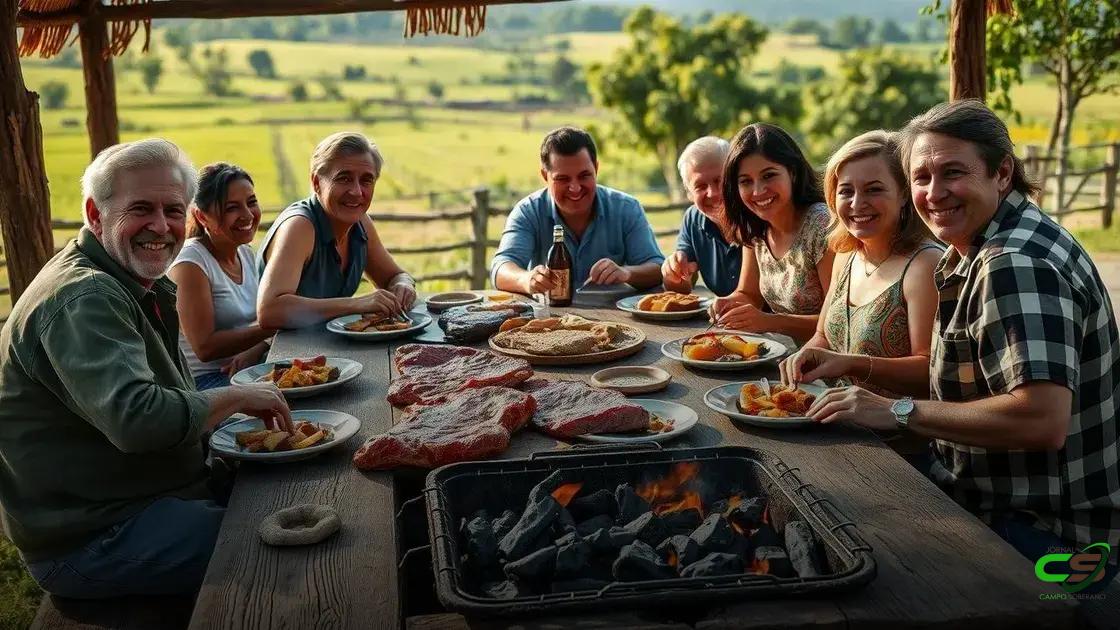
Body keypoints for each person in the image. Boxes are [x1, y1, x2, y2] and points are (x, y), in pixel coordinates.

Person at [805, 100, 1120, 583]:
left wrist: (897, 410)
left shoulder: (1014, 262)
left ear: (1002, 172)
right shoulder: (990, 240)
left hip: (1048, 536)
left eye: (952, 172)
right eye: (921, 177)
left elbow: (1041, 419)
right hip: (997, 501)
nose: (934, 193)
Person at [0, 139, 293, 599]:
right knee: (283, 545)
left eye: (173, 211)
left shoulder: (133, 282)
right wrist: (236, 397)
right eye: (141, 209)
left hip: (153, 498)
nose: (160, 227)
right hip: (95, 536)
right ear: (95, 215)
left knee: (297, 492)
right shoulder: (86, 298)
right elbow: (138, 421)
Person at [779, 130, 942, 398]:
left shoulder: (925, 264)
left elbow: (930, 373)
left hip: (892, 432)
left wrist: (854, 364)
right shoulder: (846, 254)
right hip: (833, 419)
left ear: (904, 193)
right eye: (846, 191)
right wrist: (804, 356)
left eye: (873, 189)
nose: (857, 203)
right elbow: (823, 335)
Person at [257, 131, 417, 329]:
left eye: (366, 180)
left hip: (327, 345)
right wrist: (356, 304)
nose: (357, 192)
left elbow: (394, 276)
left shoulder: (361, 224)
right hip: (281, 351)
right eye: (344, 179)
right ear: (316, 183)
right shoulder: (300, 226)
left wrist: (403, 285)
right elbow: (269, 311)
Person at [491, 126, 664, 294]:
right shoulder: (528, 211)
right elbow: (501, 268)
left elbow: (657, 267)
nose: (575, 188)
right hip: (549, 320)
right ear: (545, 176)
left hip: (613, 318)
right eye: (563, 179)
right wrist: (526, 279)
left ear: (596, 169)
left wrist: (627, 273)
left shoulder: (626, 208)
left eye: (584, 176)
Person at [709, 123, 834, 343]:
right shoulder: (756, 226)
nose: (757, 191)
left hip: (831, 365)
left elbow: (837, 321)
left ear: (792, 173)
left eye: (769, 176)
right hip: (786, 358)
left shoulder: (821, 224)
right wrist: (727, 303)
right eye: (745, 181)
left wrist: (770, 322)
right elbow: (749, 295)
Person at [169, 163, 275, 390]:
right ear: (201, 216)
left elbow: (256, 322)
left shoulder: (244, 252)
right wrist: (275, 325)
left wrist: (255, 347)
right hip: (206, 382)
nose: (247, 214)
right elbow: (204, 348)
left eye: (251, 203)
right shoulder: (190, 264)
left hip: (249, 368)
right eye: (231, 208)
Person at [662, 136, 742, 296]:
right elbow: (683, 288)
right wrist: (673, 274)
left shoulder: (755, 214)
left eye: (719, 180)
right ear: (689, 194)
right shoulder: (693, 219)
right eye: (700, 186)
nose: (713, 193)